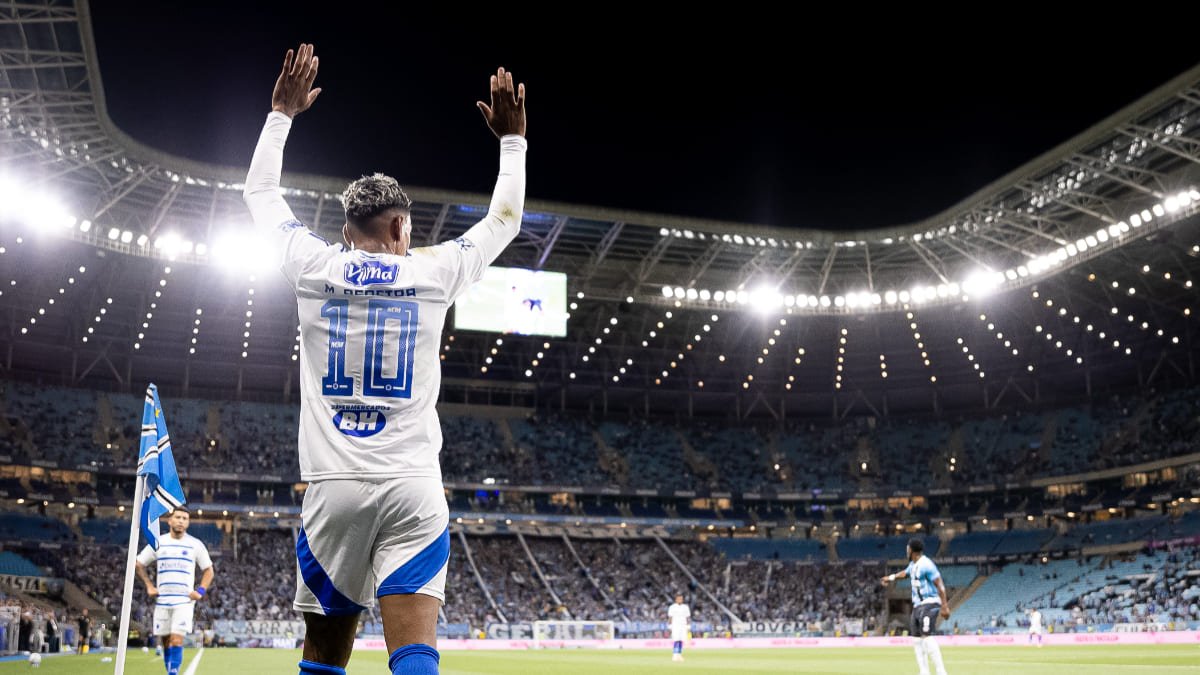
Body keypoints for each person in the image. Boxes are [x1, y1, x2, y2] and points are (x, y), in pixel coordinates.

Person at [242, 43, 527, 675]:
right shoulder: (435, 271)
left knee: (324, 655)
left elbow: (259, 191)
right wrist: (512, 141)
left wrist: (281, 114)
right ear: (403, 228)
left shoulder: (315, 264)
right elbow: (504, 221)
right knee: (415, 654)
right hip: (413, 486)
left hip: (333, 488)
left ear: (348, 231)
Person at [135, 508, 215, 675]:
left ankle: (173, 673)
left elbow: (208, 570)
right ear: (169, 520)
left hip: (184, 601)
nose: (181, 521)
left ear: (188, 522)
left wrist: (200, 590)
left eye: (185, 518)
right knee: (166, 642)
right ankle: (170, 670)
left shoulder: (195, 544)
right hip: (163, 600)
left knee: (176, 639)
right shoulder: (158, 543)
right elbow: (138, 564)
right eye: (177, 517)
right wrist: (149, 585)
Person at [882, 538, 950, 675]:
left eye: (907, 549)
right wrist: (890, 578)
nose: (906, 551)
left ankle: (941, 672)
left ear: (911, 550)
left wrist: (945, 605)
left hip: (930, 603)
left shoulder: (927, 564)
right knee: (917, 640)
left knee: (927, 636)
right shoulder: (913, 565)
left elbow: (940, 584)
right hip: (918, 606)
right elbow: (904, 574)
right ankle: (924, 672)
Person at [667, 594, 690, 662]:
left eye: (681, 599)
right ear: (676, 599)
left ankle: (679, 654)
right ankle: (675, 654)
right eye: (679, 599)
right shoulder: (672, 607)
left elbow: (687, 617)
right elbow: (670, 617)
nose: (680, 600)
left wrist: (688, 625)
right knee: (676, 639)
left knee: (681, 640)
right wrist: (670, 625)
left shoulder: (685, 607)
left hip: (683, 625)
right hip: (675, 625)